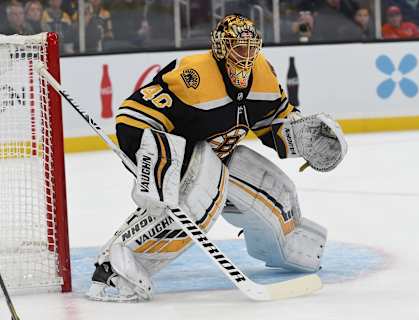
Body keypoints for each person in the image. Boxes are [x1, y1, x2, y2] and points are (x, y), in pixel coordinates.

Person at [86, 14, 347, 302]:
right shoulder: (193, 76)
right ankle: (114, 269)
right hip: (175, 155)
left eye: (251, 47)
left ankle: (290, 248)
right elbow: (132, 117)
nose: (246, 56)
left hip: (221, 156)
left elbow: (274, 122)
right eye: (238, 47)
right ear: (221, 48)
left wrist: (303, 137)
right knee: (200, 197)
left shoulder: (263, 75)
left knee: (276, 191)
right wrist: (157, 162)